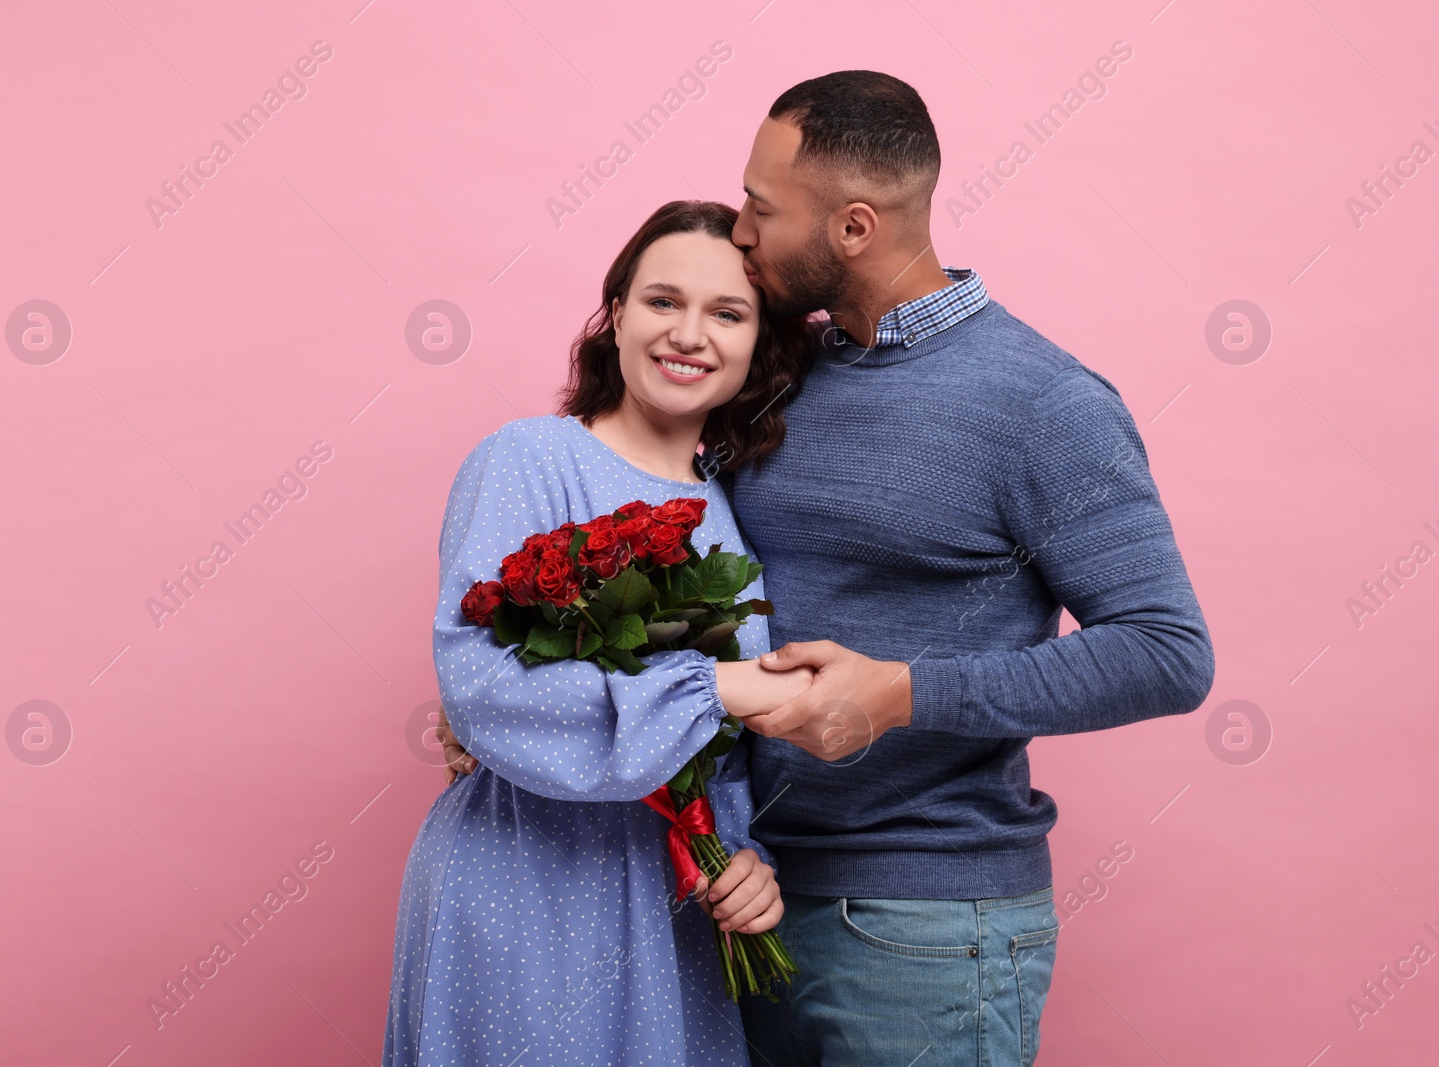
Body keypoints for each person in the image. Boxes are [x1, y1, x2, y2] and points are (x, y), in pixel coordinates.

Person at [442, 71, 1216, 1067]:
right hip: (737, 901)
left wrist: (899, 693)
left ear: (852, 228)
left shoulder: (1044, 404)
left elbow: (1166, 651)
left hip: (925, 924)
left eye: (764, 208)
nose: (745, 230)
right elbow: (656, 571)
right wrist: (506, 697)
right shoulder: (777, 370)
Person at [383, 200, 824, 1067]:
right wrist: (714, 687)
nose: (689, 334)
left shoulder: (734, 518)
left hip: (670, 901)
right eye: (663, 301)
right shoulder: (527, 459)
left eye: (727, 313)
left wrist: (744, 862)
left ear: (756, 343)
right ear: (616, 314)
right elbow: (480, 691)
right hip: (522, 882)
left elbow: (726, 758)